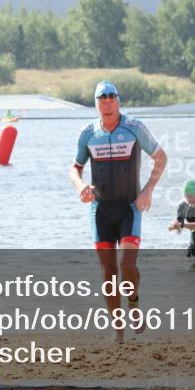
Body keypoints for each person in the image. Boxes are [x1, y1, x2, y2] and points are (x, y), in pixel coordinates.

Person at [69, 80, 168, 342]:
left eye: (112, 99)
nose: (107, 103)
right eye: (102, 99)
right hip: (100, 210)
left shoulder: (134, 128)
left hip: (129, 208)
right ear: (97, 104)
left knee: (127, 265)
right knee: (108, 272)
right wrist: (81, 186)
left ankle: (134, 306)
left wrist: (148, 190)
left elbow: (160, 157)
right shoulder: (88, 133)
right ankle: (118, 328)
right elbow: (75, 167)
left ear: (119, 102)